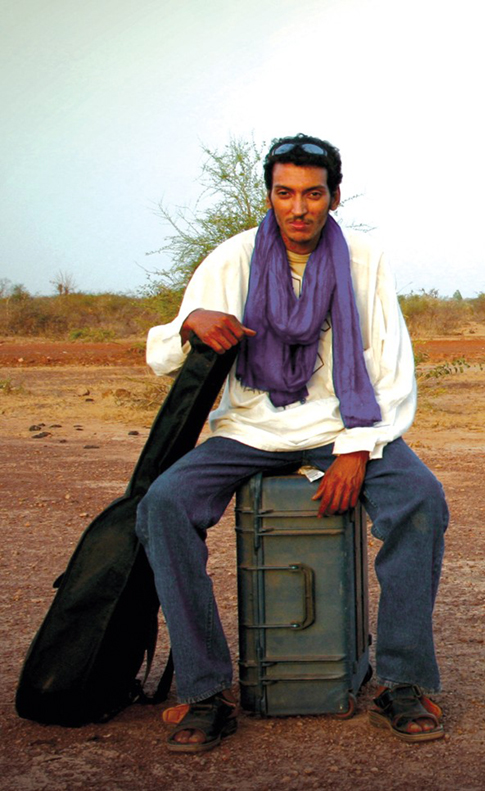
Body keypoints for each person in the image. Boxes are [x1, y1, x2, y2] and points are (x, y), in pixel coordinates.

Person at [136, 134, 448, 752]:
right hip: (251, 427)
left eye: (312, 194)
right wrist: (190, 325)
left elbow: (391, 366)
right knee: (163, 506)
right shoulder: (233, 259)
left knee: (421, 501)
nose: (298, 208)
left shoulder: (364, 259)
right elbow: (163, 355)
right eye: (285, 193)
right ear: (270, 196)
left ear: (334, 195)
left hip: (341, 427)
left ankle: (402, 682)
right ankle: (203, 692)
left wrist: (356, 449)